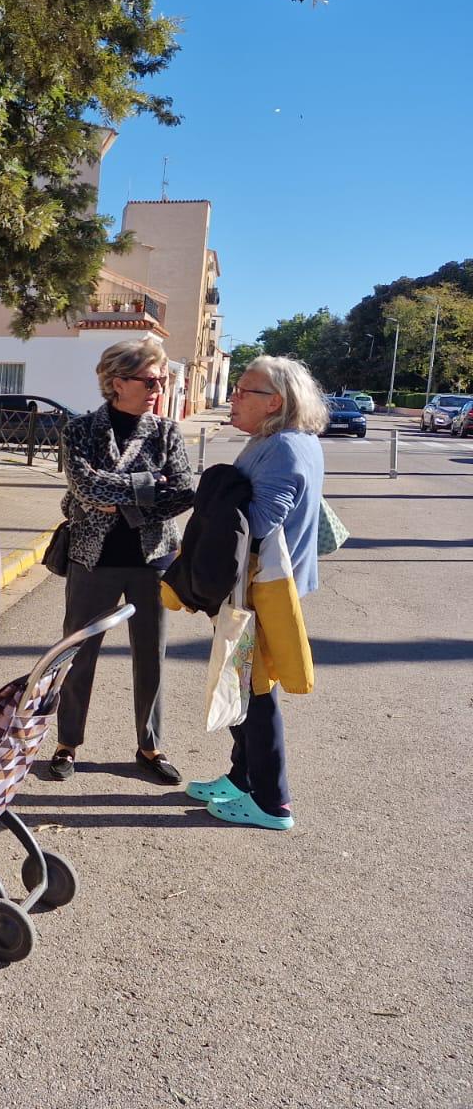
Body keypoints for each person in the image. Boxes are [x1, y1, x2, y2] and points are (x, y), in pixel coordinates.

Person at [188, 356, 326, 830]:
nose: (234, 397)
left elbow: (261, 523)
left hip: (262, 592)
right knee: (242, 683)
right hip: (255, 589)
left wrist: (218, 494)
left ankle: (273, 802)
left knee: (255, 692)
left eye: (244, 390)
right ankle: (241, 778)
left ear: (276, 402)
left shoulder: (284, 448)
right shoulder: (277, 440)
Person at [49, 338, 196, 784]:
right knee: (78, 652)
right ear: (118, 382)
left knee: (151, 653)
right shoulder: (78, 430)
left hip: (152, 558)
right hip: (91, 559)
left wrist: (120, 494)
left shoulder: (167, 432)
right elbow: (85, 489)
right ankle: (66, 743)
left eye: (163, 379)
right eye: (151, 379)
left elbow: (182, 493)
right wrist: (149, 484)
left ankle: (150, 746)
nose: (159, 387)